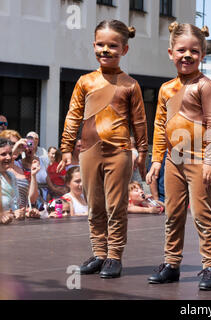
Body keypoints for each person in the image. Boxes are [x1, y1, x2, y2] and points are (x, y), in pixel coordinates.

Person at [58, 20, 148, 279]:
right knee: (94, 204)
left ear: (125, 49)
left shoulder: (130, 84)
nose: (105, 50)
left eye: (113, 46)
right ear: (93, 45)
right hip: (88, 151)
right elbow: (73, 115)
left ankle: (114, 256)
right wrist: (66, 148)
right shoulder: (85, 81)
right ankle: (99, 253)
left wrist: (142, 152)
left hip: (119, 151)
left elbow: (139, 121)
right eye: (100, 44)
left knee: (116, 205)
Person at [146, 22, 211, 291]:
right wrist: (157, 159)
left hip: (200, 158)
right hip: (173, 159)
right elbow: (159, 125)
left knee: (202, 214)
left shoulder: (206, 86)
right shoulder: (166, 89)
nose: (186, 56)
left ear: (202, 54)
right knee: (173, 213)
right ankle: (171, 263)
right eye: (181, 50)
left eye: (194, 51)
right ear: (170, 52)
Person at [0, 138, 40, 223]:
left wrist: (25, 213)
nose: (8, 157)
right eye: (3, 154)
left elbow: (16, 208)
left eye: (10, 153)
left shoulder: (11, 176)